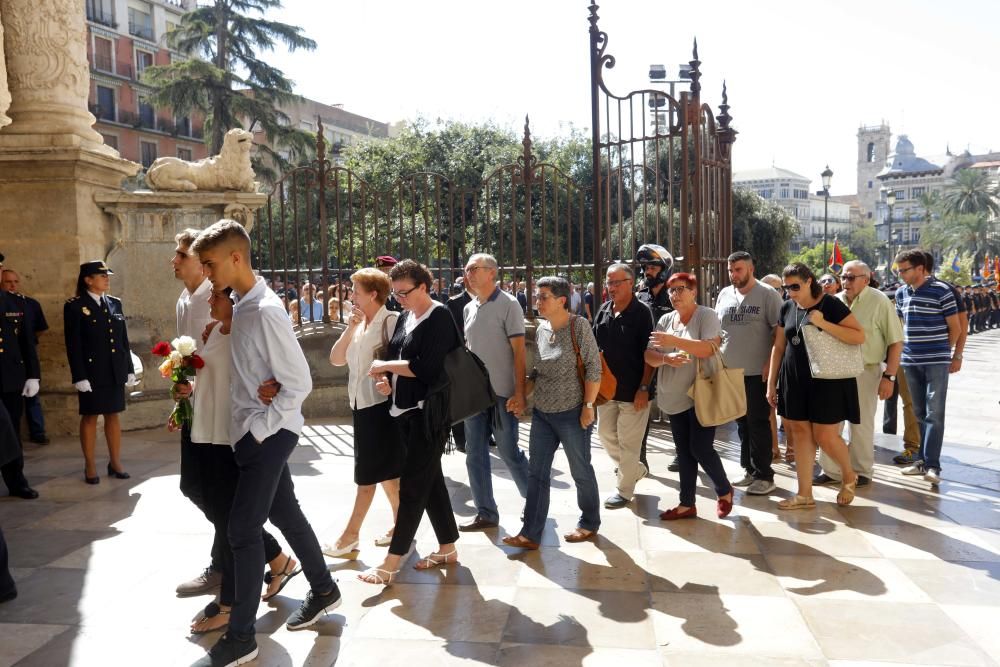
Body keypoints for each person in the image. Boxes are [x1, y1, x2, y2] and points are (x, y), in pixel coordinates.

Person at [191, 221, 342, 667]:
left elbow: (300, 382)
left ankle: (242, 638)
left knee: (241, 530)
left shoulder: (267, 310)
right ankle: (324, 587)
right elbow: (258, 367)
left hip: (267, 434)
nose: (206, 273)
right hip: (254, 431)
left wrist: (261, 428)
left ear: (236, 258)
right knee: (287, 516)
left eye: (210, 264)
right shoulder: (243, 305)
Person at [184, 285, 303, 634]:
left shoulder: (247, 330)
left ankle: (231, 604)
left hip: (234, 436)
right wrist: (188, 389)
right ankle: (279, 561)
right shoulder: (213, 331)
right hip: (207, 431)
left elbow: (281, 375)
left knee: (235, 524)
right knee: (214, 506)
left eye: (216, 296)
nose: (209, 300)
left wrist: (275, 391)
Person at [358, 259, 462, 585]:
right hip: (402, 411)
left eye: (403, 293)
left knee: (414, 487)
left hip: (429, 414)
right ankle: (448, 547)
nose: (399, 299)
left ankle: (392, 560)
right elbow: (401, 362)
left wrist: (386, 364)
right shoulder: (405, 317)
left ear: (423, 287)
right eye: (396, 294)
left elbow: (426, 367)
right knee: (430, 481)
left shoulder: (440, 316)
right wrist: (387, 380)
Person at [503, 276, 602, 550]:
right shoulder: (543, 329)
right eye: (537, 295)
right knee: (537, 473)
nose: (537, 301)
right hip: (543, 414)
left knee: (580, 470)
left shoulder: (578, 326)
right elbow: (538, 372)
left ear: (561, 300)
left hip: (573, 413)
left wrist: (589, 407)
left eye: (543, 296)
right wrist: (521, 396)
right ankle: (530, 533)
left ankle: (589, 522)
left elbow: (594, 369)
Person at [766, 262, 864, 509]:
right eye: (787, 287)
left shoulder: (829, 304)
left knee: (825, 436)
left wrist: (823, 323)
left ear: (809, 281)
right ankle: (804, 494)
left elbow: (858, 336)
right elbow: (779, 347)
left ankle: (849, 475)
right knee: (799, 433)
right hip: (795, 378)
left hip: (827, 379)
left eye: (795, 286)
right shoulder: (787, 307)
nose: (790, 292)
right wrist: (771, 383)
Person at [323, 267, 402, 556]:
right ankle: (401, 527)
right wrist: (349, 328)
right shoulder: (358, 324)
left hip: (381, 407)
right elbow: (335, 359)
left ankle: (350, 536)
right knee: (386, 475)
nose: (351, 296)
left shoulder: (391, 321)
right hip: (360, 405)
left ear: (373, 294)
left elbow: (401, 361)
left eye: (356, 291)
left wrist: (387, 380)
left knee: (368, 475)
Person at [645, 272, 734, 520]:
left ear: (694, 291)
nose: (675, 295)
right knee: (683, 451)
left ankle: (724, 489)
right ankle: (687, 504)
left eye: (681, 289)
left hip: (702, 393)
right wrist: (665, 357)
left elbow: (708, 348)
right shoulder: (665, 319)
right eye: (671, 290)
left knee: (700, 447)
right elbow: (648, 356)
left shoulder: (706, 315)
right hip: (674, 395)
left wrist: (674, 341)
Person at [813, 261, 903, 489]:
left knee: (861, 423)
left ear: (867, 278)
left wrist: (889, 376)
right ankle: (831, 471)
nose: (845, 282)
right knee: (831, 422)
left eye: (851, 278)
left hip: (866, 370)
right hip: (835, 371)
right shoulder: (832, 301)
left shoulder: (880, 301)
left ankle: (862, 471)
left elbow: (896, 341)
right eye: (843, 277)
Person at [457, 254, 531, 531]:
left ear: (491, 273)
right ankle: (486, 512)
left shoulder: (509, 304)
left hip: (503, 393)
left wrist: (520, 393)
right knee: (474, 453)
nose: (468, 274)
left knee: (509, 451)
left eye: (473, 269)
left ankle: (535, 503)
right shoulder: (468, 308)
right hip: (475, 395)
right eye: (466, 270)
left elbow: (519, 351)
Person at [715, 251, 783, 496]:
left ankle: (765, 475)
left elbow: (779, 333)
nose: (734, 275)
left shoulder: (768, 294)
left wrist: (769, 364)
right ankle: (749, 469)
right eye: (731, 271)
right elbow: (718, 331)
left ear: (751, 269)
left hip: (758, 373)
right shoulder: (724, 294)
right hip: (731, 372)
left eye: (739, 270)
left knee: (758, 423)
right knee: (741, 424)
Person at [893, 249, 961, 486]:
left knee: (935, 413)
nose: (901, 274)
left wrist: (946, 353)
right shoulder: (901, 293)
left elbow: (956, 327)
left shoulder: (942, 291)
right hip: (910, 362)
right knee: (919, 413)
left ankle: (933, 466)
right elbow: (900, 325)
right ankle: (921, 460)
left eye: (904, 270)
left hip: (936, 362)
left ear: (920, 268)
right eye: (899, 270)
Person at [64, 261, 133, 485]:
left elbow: (123, 340)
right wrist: (79, 376)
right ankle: (90, 465)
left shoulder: (114, 303)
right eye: (101, 276)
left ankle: (115, 463)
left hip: (114, 370)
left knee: (113, 415)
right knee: (91, 416)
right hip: (92, 373)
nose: (107, 279)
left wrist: (129, 368)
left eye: (107, 275)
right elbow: (73, 345)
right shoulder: (75, 306)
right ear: (88, 279)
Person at [593, 263, 654, 509]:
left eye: (617, 282)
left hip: (634, 391)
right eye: (609, 282)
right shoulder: (604, 310)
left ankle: (624, 490)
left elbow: (651, 354)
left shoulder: (642, 313)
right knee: (605, 434)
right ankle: (635, 469)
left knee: (630, 443)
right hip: (607, 391)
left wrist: (644, 389)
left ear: (630, 283)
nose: (612, 287)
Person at [634, 243, 675, 471]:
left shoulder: (675, 295)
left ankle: (682, 453)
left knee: (679, 406)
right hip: (646, 358)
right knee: (640, 408)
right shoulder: (640, 296)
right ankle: (639, 457)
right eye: (645, 267)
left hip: (672, 358)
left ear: (664, 269)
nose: (646, 271)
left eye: (651, 267)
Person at [2, 269, 50, 445]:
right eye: (8, 282)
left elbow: (39, 329)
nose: (13, 285)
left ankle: (37, 431)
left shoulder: (28, 304)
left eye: (15, 281)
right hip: (7, 360)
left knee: (31, 397)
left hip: (22, 357)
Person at [759, 273, 785, 462]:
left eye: (779, 288)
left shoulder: (791, 306)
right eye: (771, 288)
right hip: (766, 364)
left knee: (789, 412)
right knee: (769, 409)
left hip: (787, 365)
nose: (775, 292)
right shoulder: (761, 305)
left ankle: (791, 446)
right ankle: (773, 447)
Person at [446, 276, 473, 453]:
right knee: (461, 400)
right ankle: (461, 439)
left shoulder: (488, 300)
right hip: (461, 357)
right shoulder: (454, 303)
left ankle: (486, 434)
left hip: (484, 357)